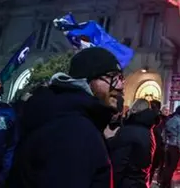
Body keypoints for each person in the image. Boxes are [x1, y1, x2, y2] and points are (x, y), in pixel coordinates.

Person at [7, 47, 123, 188]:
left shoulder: (70, 115)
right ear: (88, 79)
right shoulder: (74, 129)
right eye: (112, 77)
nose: (120, 86)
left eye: (120, 78)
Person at [108, 98, 158, 188]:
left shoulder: (128, 131)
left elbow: (118, 165)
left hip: (126, 183)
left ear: (133, 110)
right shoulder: (148, 131)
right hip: (141, 182)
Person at [160, 105, 180, 188]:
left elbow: (163, 134)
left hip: (168, 145)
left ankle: (163, 183)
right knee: (172, 167)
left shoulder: (170, 120)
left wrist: (165, 143)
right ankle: (166, 184)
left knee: (167, 166)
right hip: (175, 147)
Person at [149, 103, 167, 185]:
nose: (166, 112)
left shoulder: (163, 120)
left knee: (155, 166)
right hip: (156, 145)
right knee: (153, 166)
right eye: (165, 110)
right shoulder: (158, 119)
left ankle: (153, 181)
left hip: (158, 146)